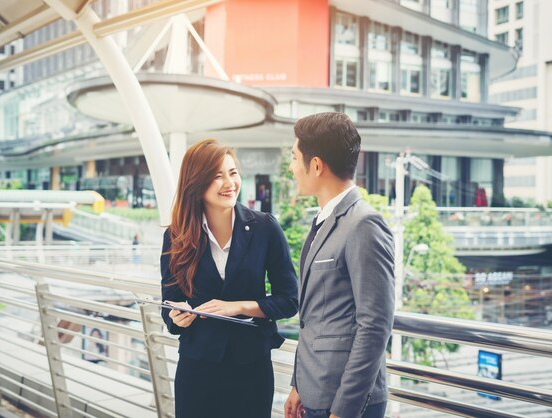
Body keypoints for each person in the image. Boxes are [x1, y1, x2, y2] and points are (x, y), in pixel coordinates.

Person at [161, 138, 298, 418]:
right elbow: (170, 302)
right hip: (197, 367)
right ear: (196, 184)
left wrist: (237, 307)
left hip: (251, 368)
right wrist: (176, 316)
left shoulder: (265, 228)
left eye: (232, 172)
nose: (229, 183)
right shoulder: (176, 236)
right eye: (217, 176)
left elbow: (290, 300)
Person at [284, 112, 395, 418]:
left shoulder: (364, 224)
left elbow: (375, 326)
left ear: (316, 165)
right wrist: (298, 384)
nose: (292, 167)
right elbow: (316, 318)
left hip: (346, 404)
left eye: (294, 158)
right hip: (315, 392)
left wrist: (344, 410)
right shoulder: (324, 220)